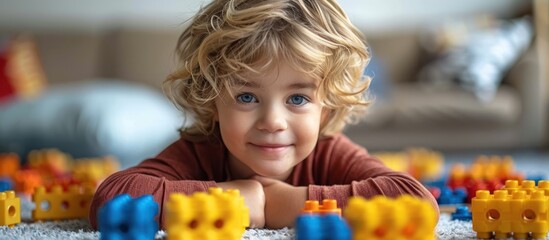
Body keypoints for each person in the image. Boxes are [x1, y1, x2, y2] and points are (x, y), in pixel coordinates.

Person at [89, 0, 438, 229]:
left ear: (326, 107)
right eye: (246, 96)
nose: (273, 121)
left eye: (298, 99)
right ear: (213, 102)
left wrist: (287, 204)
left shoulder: (330, 152)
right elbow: (114, 198)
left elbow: (416, 202)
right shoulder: (199, 149)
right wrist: (235, 200)